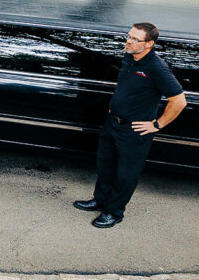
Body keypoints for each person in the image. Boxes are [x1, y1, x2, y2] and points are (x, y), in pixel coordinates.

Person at [74, 22, 186, 228]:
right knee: (105, 165)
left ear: (149, 44)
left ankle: (114, 212)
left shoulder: (157, 68)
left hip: (134, 130)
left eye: (135, 39)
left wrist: (157, 125)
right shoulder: (129, 56)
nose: (129, 41)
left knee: (126, 174)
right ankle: (100, 200)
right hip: (112, 123)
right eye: (129, 36)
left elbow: (179, 101)